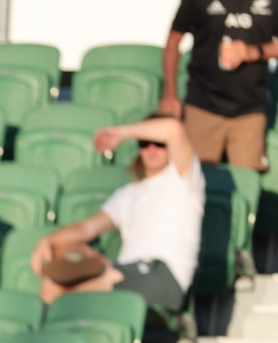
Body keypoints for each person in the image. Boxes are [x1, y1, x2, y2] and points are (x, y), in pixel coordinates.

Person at [29, 116, 204, 309]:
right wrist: (48, 241)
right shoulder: (127, 193)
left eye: (160, 143)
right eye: (145, 143)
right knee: (52, 283)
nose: (152, 149)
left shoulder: (183, 180)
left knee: (71, 293)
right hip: (124, 272)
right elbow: (88, 227)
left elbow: (174, 129)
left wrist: (120, 134)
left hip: (164, 275)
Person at [162, 0, 278, 171]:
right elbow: (174, 39)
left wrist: (253, 52)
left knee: (246, 182)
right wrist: (170, 93)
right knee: (194, 180)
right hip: (203, 105)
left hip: (250, 110)